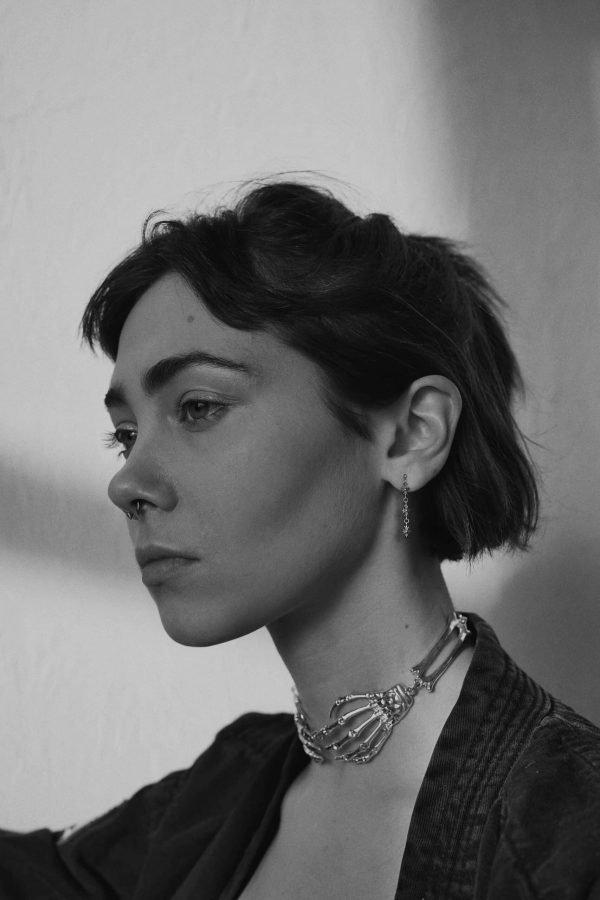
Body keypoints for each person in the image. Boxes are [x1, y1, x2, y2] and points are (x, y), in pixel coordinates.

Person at [2, 179, 599, 900]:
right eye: (125, 436)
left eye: (198, 407)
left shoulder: (567, 840)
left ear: (412, 435)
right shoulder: (218, 797)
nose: (127, 482)